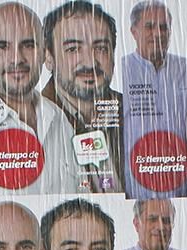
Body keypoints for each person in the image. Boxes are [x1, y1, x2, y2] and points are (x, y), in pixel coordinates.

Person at [0, 2, 83, 194]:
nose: (17, 59)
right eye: (2, 46)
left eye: (28, 45)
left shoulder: (58, 118)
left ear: (43, 51)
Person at [120, 0, 187, 198]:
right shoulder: (121, 70)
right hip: (138, 188)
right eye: (149, 26)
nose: (158, 33)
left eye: (164, 27)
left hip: (186, 188)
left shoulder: (186, 69)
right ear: (133, 31)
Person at [40, 1, 124, 193]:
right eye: (73, 49)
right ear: (48, 57)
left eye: (101, 48)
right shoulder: (30, 122)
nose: (89, 62)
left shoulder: (135, 113)